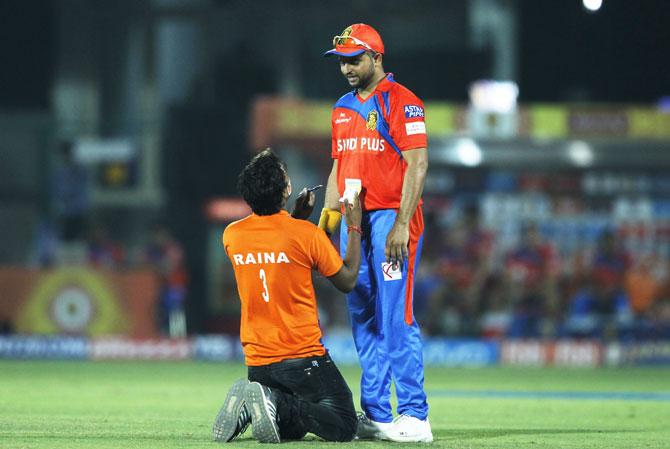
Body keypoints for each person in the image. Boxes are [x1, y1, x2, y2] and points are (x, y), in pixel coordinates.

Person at [319, 23, 432, 443]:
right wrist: (325, 224)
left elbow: (418, 165)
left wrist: (402, 223)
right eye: (342, 61)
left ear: (377, 58)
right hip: (352, 222)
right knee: (363, 315)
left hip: (389, 219)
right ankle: (378, 415)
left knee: (394, 315)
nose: (347, 68)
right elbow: (338, 169)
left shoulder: (403, 102)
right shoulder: (342, 107)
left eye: (355, 59)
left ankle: (416, 417)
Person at [212, 149, 362, 443]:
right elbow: (347, 281)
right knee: (344, 424)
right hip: (301, 358)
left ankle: (256, 403)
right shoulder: (306, 234)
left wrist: (294, 218)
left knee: (293, 428)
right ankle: (275, 401)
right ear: (287, 189)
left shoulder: (232, 235)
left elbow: (276, 249)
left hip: (258, 363)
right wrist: (354, 225)